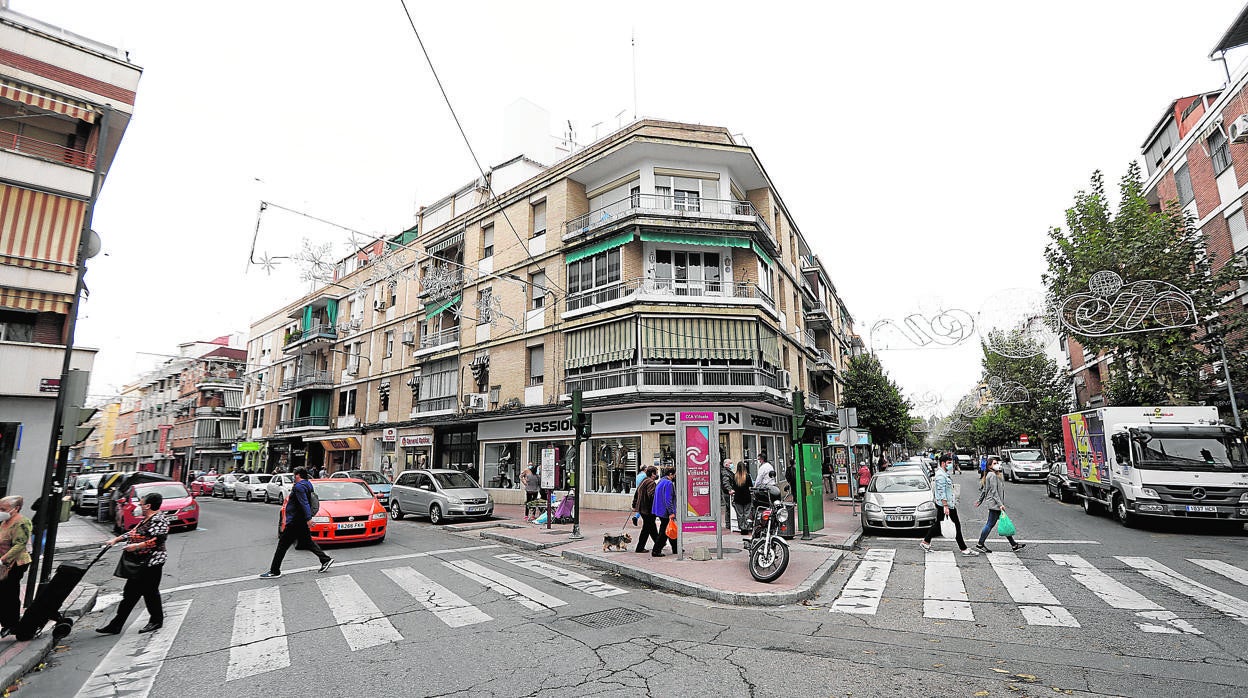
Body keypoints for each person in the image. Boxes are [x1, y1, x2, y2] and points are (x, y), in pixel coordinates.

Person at [96, 493, 169, 635]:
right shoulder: (146, 519)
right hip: (140, 562)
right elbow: (133, 532)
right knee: (130, 593)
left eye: (141, 504)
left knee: (150, 592)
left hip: (152, 562)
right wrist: (116, 540)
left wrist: (136, 546)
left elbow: (158, 540)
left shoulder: (159, 519)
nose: (139, 506)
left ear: (148, 506)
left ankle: (156, 621)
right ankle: (116, 624)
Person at [261, 467, 333, 578]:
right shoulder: (308, 484)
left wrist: (309, 518)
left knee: (282, 546)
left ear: (298, 475)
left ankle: (274, 571)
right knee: (307, 542)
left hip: (295, 520)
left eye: (295, 475)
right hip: (301, 519)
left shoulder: (299, 487)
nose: (294, 477)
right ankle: (325, 559)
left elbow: (304, 502)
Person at [921, 455, 978, 556]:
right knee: (956, 525)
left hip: (946, 504)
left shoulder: (944, 474)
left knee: (938, 525)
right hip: (945, 505)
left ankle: (926, 542)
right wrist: (945, 506)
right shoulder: (940, 476)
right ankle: (963, 548)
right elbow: (941, 492)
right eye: (949, 463)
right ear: (943, 463)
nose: (951, 465)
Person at [975, 460, 1025, 554]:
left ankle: (1014, 544)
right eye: (994, 463)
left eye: (997, 463)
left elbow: (985, 489)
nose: (997, 465)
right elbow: (993, 491)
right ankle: (980, 544)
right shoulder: (992, 475)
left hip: (994, 503)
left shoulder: (991, 474)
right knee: (990, 524)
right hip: (995, 504)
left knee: (1003, 522)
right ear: (989, 466)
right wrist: (1000, 504)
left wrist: (980, 500)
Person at [0, 496, 32, 637]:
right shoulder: (4, 522)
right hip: (3, 562)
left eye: (3, 509)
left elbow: (20, 544)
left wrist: (3, 559)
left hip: (16, 563)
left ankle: (12, 624)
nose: (0, 511)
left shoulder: (22, 522)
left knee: (9, 592)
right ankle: (7, 622)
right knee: (3, 592)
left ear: (16, 508)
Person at [651, 467, 677, 557]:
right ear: (670, 474)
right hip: (665, 511)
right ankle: (656, 550)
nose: (675, 476)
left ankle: (676, 548)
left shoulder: (661, 481)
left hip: (660, 510)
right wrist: (671, 512)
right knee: (664, 532)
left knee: (671, 528)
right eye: (674, 474)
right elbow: (668, 499)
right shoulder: (669, 483)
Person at [632, 466, 659, 553]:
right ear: (652, 474)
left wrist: (634, 504)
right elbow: (651, 496)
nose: (657, 475)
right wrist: (654, 509)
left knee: (650, 527)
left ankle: (659, 543)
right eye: (656, 473)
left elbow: (637, 493)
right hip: (648, 509)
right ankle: (640, 547)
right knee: (647, 528)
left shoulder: (644, 481)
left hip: (642, 508)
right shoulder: (651, 483)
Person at [731, 462, 753, 534]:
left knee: (740, 514)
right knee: (746, 514)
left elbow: (733, 487)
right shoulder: (747, 476)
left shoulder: (735, 476)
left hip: (738, 498)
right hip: (747, 497)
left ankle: (742, 528)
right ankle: (746, 527)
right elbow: (751, 486)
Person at [719, 458, 735, 529]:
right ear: (726, 465)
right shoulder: (725, 473)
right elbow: (726, 482)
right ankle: (728, 523)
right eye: (730, 463)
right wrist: (730, 489)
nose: (732, 465)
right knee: (728, 507)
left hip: (727, 492)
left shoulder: (728, 472)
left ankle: (728, 523)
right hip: (727, 493)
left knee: (728, 508)